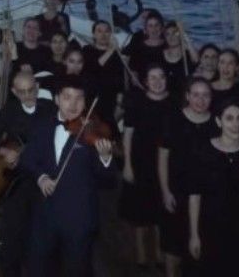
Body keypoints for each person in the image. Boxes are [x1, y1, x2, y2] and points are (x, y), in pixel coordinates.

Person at [20, 75, 115, 276]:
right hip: (45, 217)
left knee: (78, 270)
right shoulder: (42, 125)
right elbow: (28, 159)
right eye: (67, 97)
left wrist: (105, 158)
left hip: (79, 218)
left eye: (79, 98)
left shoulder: (92, 132)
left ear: (85, 102)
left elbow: (107, 179)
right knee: (40, 269)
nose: (73, 104)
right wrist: (41, 177)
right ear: (56, 99)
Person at [0, 71, 56, 276]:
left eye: (31, 90)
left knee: (41, 234)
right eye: (22, 92)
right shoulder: (10, 110)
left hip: (43, 178)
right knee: (13, 233)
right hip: (16, 181)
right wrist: (4, 151)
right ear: (14, 92)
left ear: (37, 87)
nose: (28, 96)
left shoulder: (49, 108)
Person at [188, 99, 239, 277]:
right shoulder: (203, 151)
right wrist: (194, 234)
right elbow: (195, 196)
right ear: (218, 121)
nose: (235, 124)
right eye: (229, 118)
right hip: (209, 227)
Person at [157, 78, 216, 277]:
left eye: (206, 95)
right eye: (196, 95)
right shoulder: (173, 119)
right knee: (173, 243)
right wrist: (165, 191)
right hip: (176, 189)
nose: (201, 100)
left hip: (205, 194)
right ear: (188, 96)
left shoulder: (217, 123)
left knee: (199, 243)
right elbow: (163, 157)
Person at [120, 64, 175, 268]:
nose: (157, 81)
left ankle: (161, 254)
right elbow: (128, 134)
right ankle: (142, 255)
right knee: (139, 211)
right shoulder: (137, 102)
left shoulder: (174, 103)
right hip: (140, 162)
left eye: (161, 77)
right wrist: (127, 164)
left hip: (167, 164)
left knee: (162, 212)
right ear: (145, 81)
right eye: (153, 77)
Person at [82, 20, 125, 134]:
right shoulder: (87, 50)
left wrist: (119, 103)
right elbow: (94, 68)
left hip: (110, 102)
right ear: (94, 34)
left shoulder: (116, 55)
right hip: (91, 100)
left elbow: (120, 80)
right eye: (99, 31)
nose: (103, 34)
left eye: (106, 31)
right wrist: (111, 50)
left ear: (110, 34)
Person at [122, 10, 165, 81]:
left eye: (156, 25)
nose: (153, 29)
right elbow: (130, 59)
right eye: (150, 25)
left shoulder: (167, 42)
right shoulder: (137, 39)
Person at [160, 21, 196, 99]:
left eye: (174, 33)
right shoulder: (160, 55)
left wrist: (184, 35)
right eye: (168, 34)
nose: (171, 37)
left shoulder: (188, 55)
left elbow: (196, 61)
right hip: (165, 97)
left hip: (184, 96)